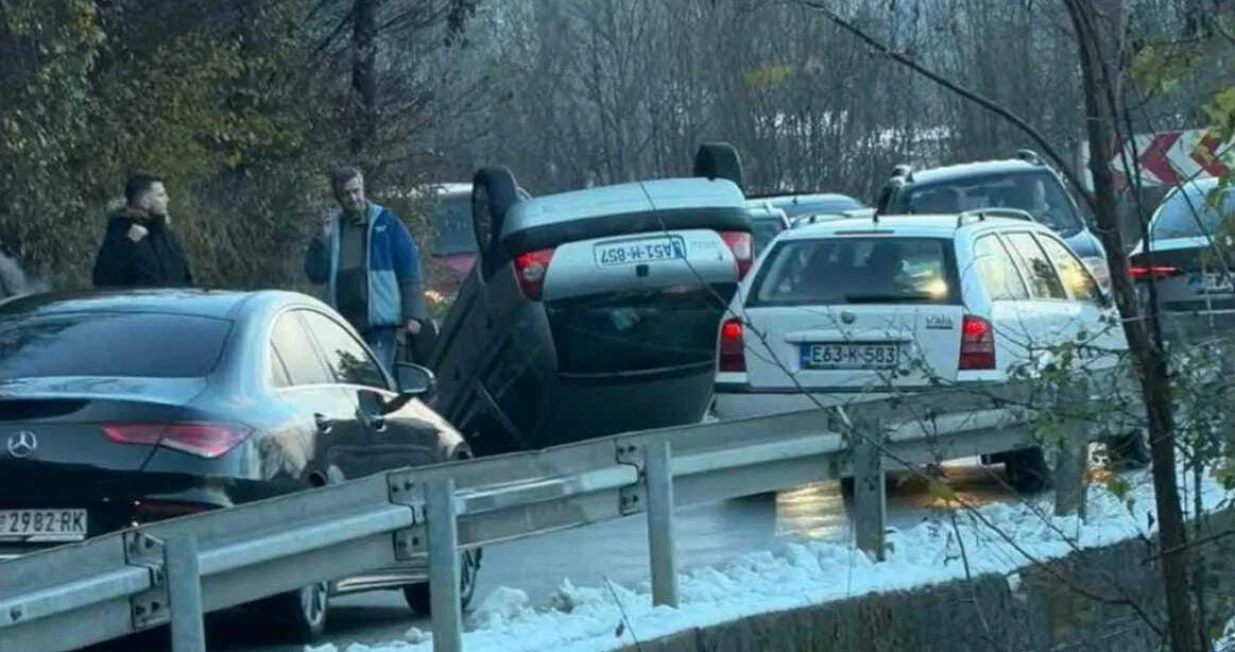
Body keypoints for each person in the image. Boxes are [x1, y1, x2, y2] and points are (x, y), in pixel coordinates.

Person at [305, 166, 427, 374]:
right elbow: (316, 275)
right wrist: (320, 241)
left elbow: (409, 269)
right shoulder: (331, 229)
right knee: (350, 384)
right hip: (344, 324)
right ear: (338, 197)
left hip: (381, 325)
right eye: (346, 194)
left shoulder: (386, 222)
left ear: (363, 189)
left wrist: (413, 315)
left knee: (374, 381)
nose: (353, 198)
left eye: (356, 191)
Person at [92, 172, 194, 288]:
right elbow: (103, 279)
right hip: (139, 305)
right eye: (160, 195)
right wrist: (128, 244)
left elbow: (186, 277)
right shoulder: (121, 233)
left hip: (172, 304)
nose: (167, 199)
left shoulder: (165, 234)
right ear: (144, 201)